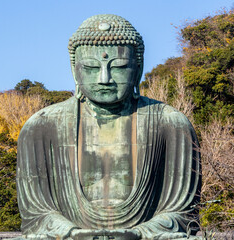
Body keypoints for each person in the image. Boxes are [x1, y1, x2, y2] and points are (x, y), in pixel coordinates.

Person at [15, 14, 201, 240]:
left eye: (119, 67)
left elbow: (183, 214)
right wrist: (71, 233)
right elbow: (36, 216)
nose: (104, 78)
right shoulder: (41, 126)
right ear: (75, 69)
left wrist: (139, 234)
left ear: (138, 69)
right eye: (92, 67)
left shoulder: (170, 124)